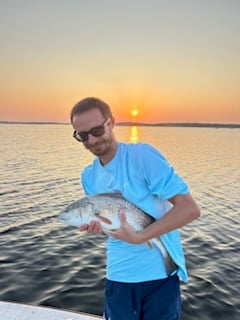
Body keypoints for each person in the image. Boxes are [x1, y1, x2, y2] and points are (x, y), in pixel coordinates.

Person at [70, 97, 200, 320]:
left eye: (97, 130)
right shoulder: (88, 176)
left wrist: (140, 237)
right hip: (118, 275)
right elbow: (113, 226)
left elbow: (190, 209)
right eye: (82, 135)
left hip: (159, 276)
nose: (91, 140)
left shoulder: (142, 156)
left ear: (111, 123)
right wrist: (98, 228)